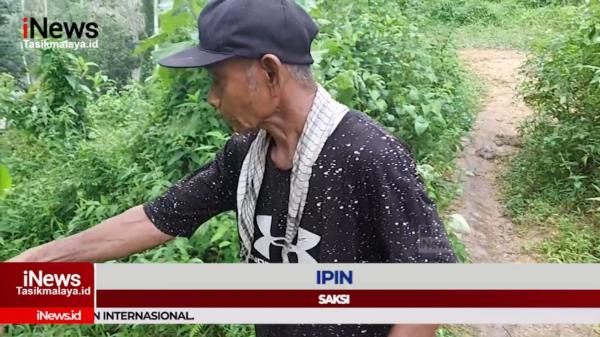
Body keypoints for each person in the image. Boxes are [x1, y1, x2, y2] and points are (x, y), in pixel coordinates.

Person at [5, 0, 457, 336]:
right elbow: (158, 216)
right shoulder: (247, 155)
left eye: (218, 80)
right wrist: (36, 264)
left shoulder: (367, 154)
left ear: (269, 73)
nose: (212, 98)